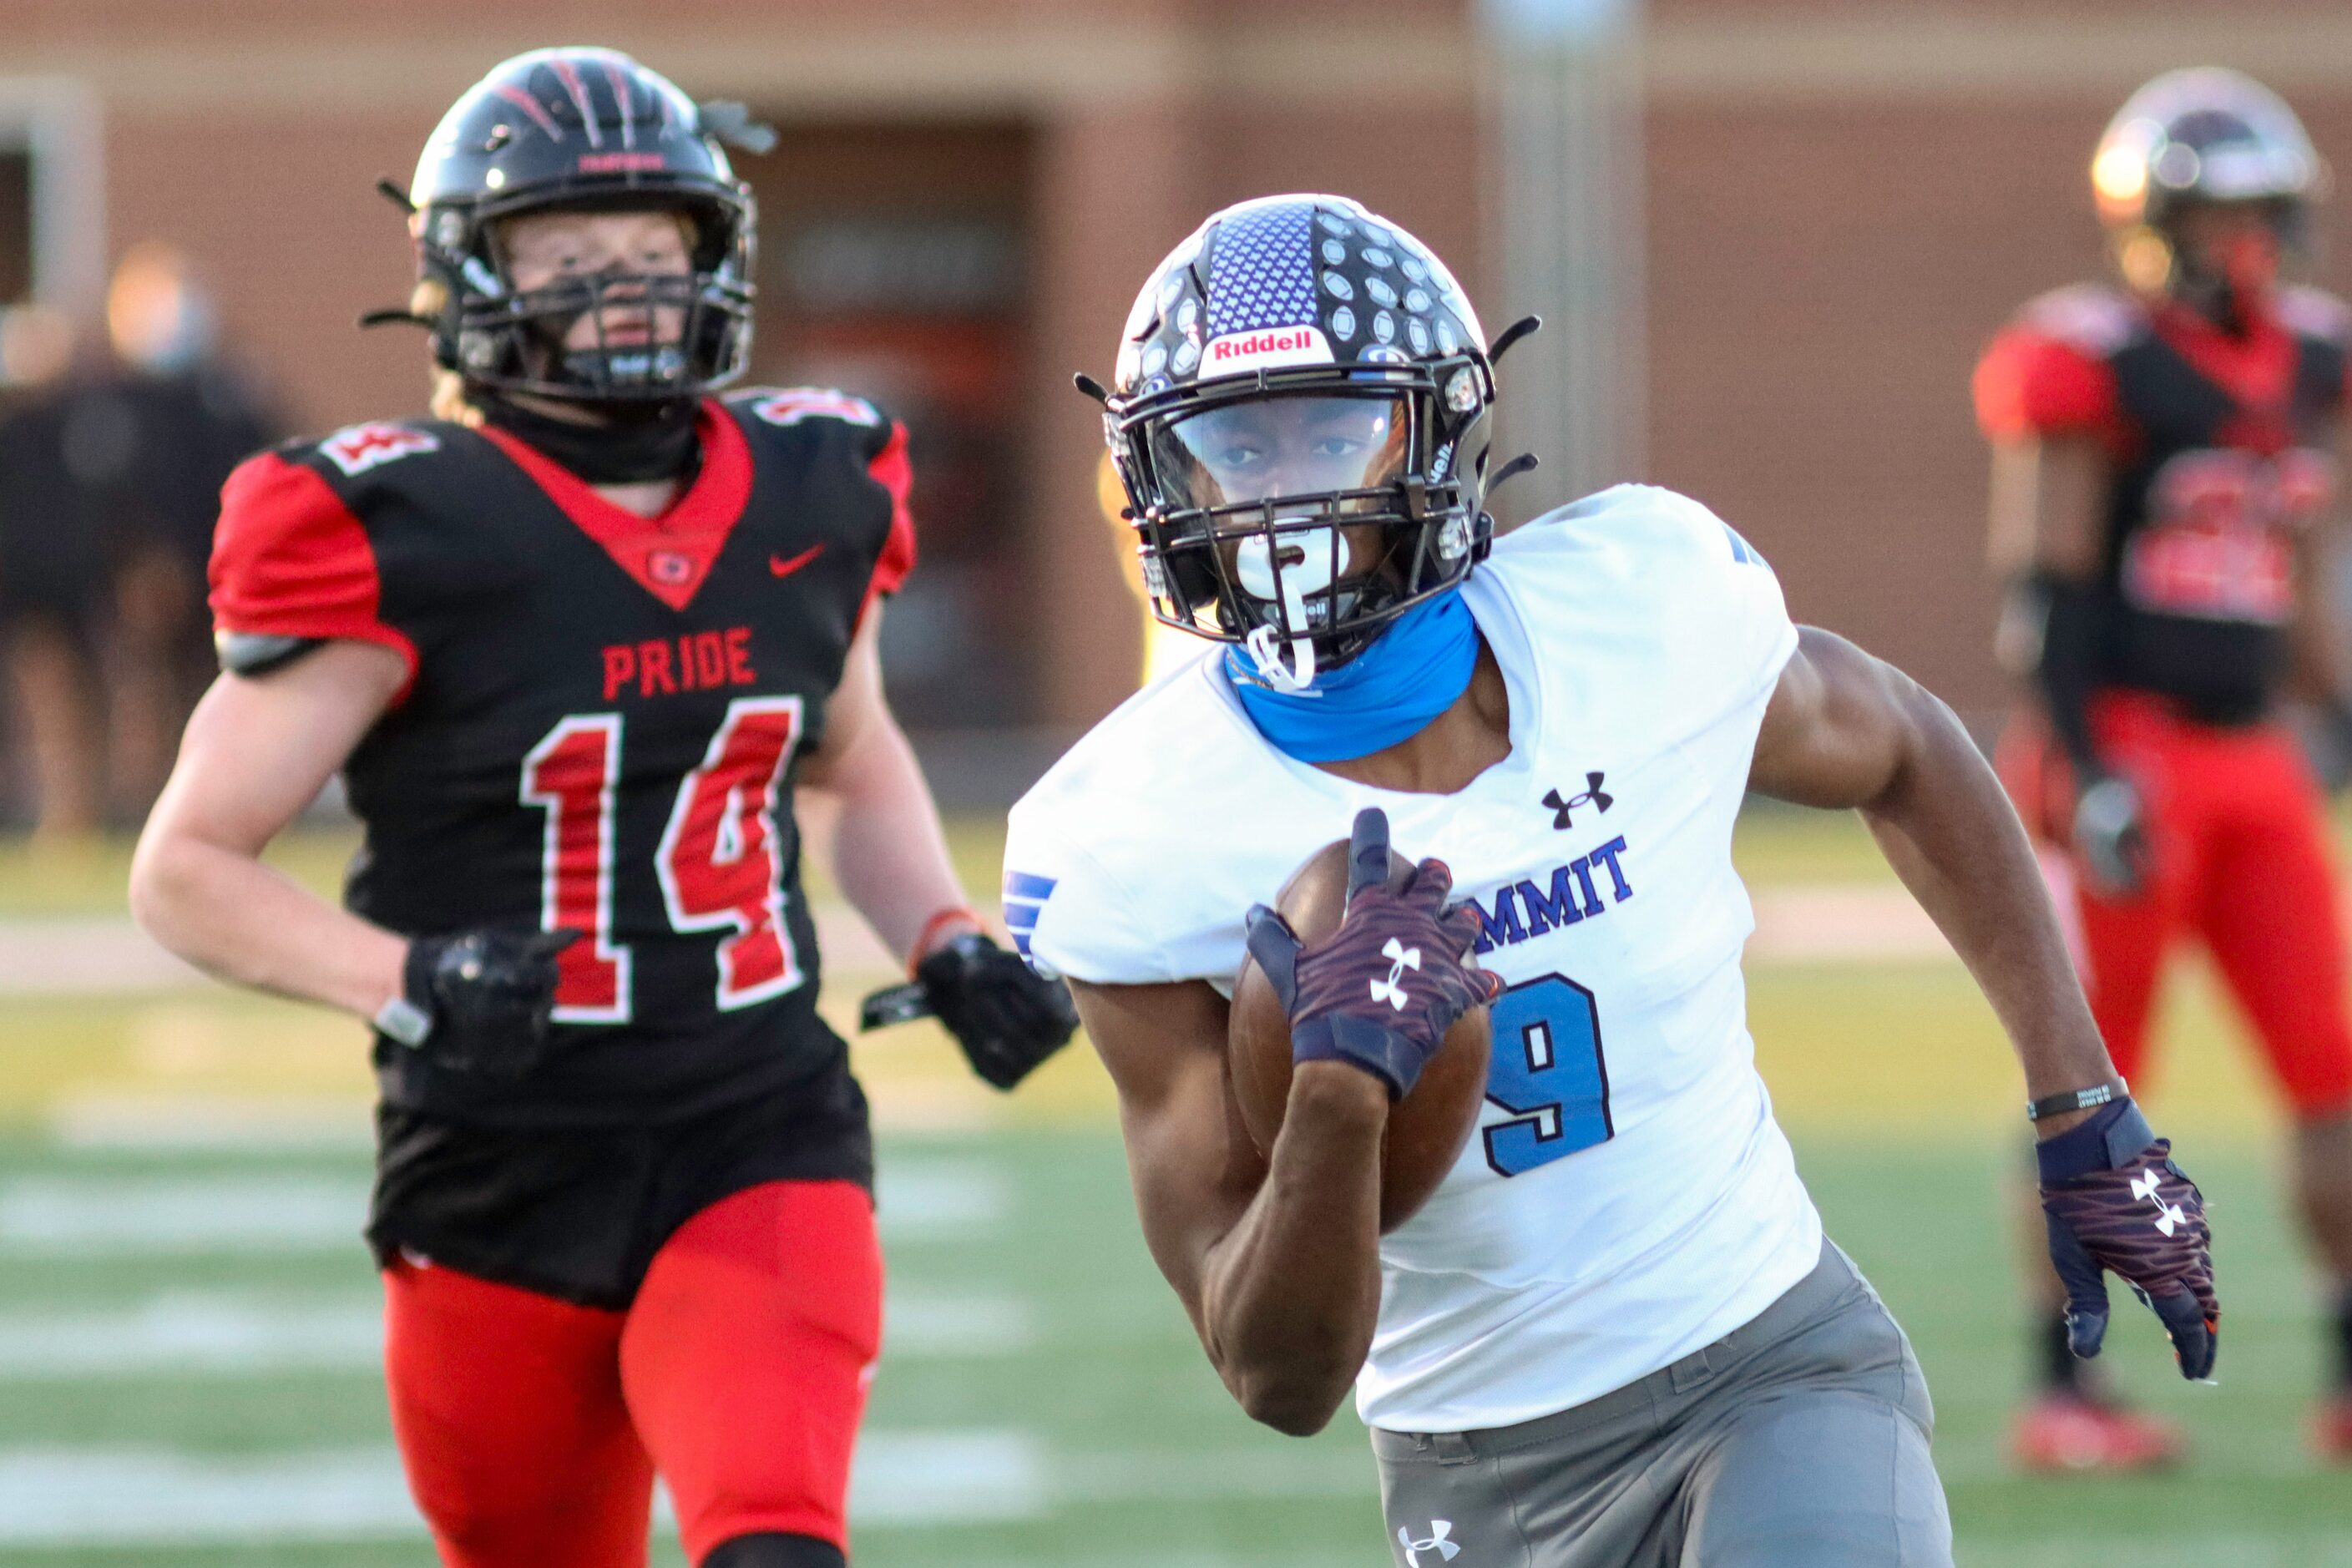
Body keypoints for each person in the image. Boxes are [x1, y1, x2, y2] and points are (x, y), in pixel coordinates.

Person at [1004, 194, 2218, 1567]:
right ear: (1165, 479)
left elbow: (1904, 745)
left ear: (1436, 429)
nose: (1290, 491)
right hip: (1478, 1466)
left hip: (1769, 1359)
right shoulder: (1130, 839)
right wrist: (1335, 1104)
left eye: (1333, 428)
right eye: (1237, 443)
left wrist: (2081, 1103)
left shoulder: (1635, 613)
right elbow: (1275, 1377)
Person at [128, 48, 1074, 1568]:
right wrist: (408, 982)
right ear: (470, 281)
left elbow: (853, 753)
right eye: (566, 255)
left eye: (652, 252)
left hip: (754, 1122)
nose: (623, 289)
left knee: (775, 1538)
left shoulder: (809, 484)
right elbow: (184, 867)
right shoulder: (399, 527)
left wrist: (945, 933)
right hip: (495, 1163)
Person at [1974, 68, 2352, 1470]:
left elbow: (2296, 573)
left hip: (2254, 758)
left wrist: (2339, 716)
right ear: (2157, 228)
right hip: (2124, 751)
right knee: (2089, 1087)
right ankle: (2062, 1391)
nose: (2250, 240)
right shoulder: (2091, 357)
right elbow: (2042, 586)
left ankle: (2344, 1367)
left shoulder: (2312, 356)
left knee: (2329, 1070)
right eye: (2224, 215)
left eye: (2268, 211)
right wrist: (2083, 767)